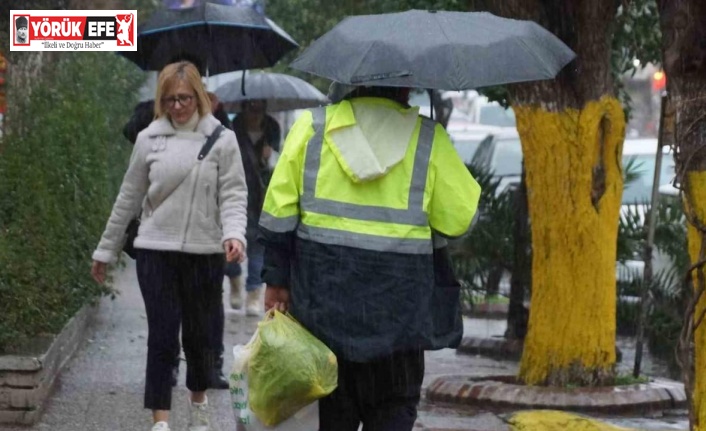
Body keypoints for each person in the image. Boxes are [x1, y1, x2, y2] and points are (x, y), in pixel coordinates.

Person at [259, 84, 481, 431]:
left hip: (323, 315)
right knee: (393, 411)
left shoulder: (312, 128)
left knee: (331, 415)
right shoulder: (427, 138)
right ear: (406, 86)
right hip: (399, 323)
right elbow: (459, 219)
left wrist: (276, 279)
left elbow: (277, 214)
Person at [91, 61, 248, 431]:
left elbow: (234, 194)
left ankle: (199, 400)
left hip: (205, 253)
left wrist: (234, 234)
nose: (178, 106)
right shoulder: (149, 138)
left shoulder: (222, 140)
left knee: (199, 337)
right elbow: (127, 199)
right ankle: (160, 420)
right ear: (160, 101)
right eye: (170, 99)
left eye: (185, 98)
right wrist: (105, 251)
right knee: (162, 336)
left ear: (200, 98)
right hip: (155, 252)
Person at [227, 99, 280, 315]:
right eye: (251, 109)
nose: (255, 115)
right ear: (244, 108)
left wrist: (269, 157)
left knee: (258, 247)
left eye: (260, 110)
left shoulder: (272, 128)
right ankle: (234, 281)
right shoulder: (233, 128)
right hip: (235, 193)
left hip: (262, 198)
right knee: (231, 245)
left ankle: (253, 294)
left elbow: (278, 164)